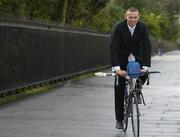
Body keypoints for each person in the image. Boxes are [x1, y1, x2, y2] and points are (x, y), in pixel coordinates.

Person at [110, 7, 151, 129]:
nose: (133, 20)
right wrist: (117, 68)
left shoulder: (142, 27)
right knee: (119, 89)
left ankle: (137, 90)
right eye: (130, 17)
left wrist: (145, 66)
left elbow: (147, 46)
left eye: (135, 17)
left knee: (145, 74)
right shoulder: (119, 28)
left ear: (139, 17)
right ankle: (119, 120)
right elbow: (114, 48)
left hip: (137, 59)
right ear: (126, 17)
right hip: (122, 61)